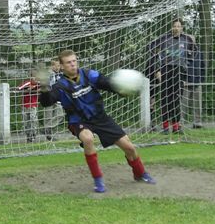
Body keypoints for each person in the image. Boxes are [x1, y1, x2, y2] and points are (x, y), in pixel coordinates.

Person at [39, 49, 156, 193]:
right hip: (78, 120)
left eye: (74, 61)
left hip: (100, 118)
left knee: (129, 148)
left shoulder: (89, 75)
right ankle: (98, 180)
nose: (73, 64)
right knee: (88, 139)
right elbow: (46, 102)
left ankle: (140, 173)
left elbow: (106, 83)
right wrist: (44, 89)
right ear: (62, 66)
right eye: (69, 62)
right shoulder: (60, 86)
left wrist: (120, 89)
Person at [148, 18, 197, 134]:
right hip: (165, 70)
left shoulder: (187, 39)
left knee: (176, 100)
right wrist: (158, 69)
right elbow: (151, 49)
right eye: (174, 26)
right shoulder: (164, 38)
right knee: (165, 99)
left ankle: (176, 127)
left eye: (179, 26)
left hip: (179, 71)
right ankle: (165, 127)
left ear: (182, 28)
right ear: (171, 27)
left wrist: (186, 65)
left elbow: (194, 52)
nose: (176, 28)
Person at [182, 42, 206, 129]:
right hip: (186, 83)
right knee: (183, 103)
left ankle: (197, 122)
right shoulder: (182, 52)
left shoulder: (199, 53)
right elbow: (180, 67)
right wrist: (183, 80)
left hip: (197, 82)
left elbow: (203, 67)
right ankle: (181, 122)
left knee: (198, 104)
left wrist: (201, 80)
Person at [42, 58, 64, 141]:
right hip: (48, 97)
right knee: (48, 116)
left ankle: (46, 128)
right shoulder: (49, 74)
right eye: (57, 65)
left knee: (60, 114)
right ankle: (49, 136)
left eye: (59, 65)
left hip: (57, 97)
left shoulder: (60, 74)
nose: (58, 67)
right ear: (52, 66)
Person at [17, 69, 40, 143]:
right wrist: (28, 90)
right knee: (26, 122)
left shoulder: (39, 84)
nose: (35, 79)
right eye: (34, 77)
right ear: (30, 77)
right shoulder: (27, 83)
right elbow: (18, 89)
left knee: (33, 120)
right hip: (25, 106)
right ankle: (28, 137)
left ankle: (33, 135)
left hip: (33, 106)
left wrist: (35, 89)